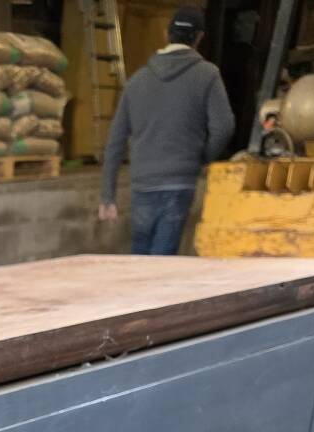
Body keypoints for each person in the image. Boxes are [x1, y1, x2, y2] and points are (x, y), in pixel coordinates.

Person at [98, 6, 235, 255]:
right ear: (199, 37)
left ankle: (136, 293)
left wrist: (108, 196)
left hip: (143, 183)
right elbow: (224, 126)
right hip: (179, 181)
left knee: (140, 257)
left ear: (166, 34)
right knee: (163, 259)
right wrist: (202, 157)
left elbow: (115, 142)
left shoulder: (136, 81)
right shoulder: (208, 75)